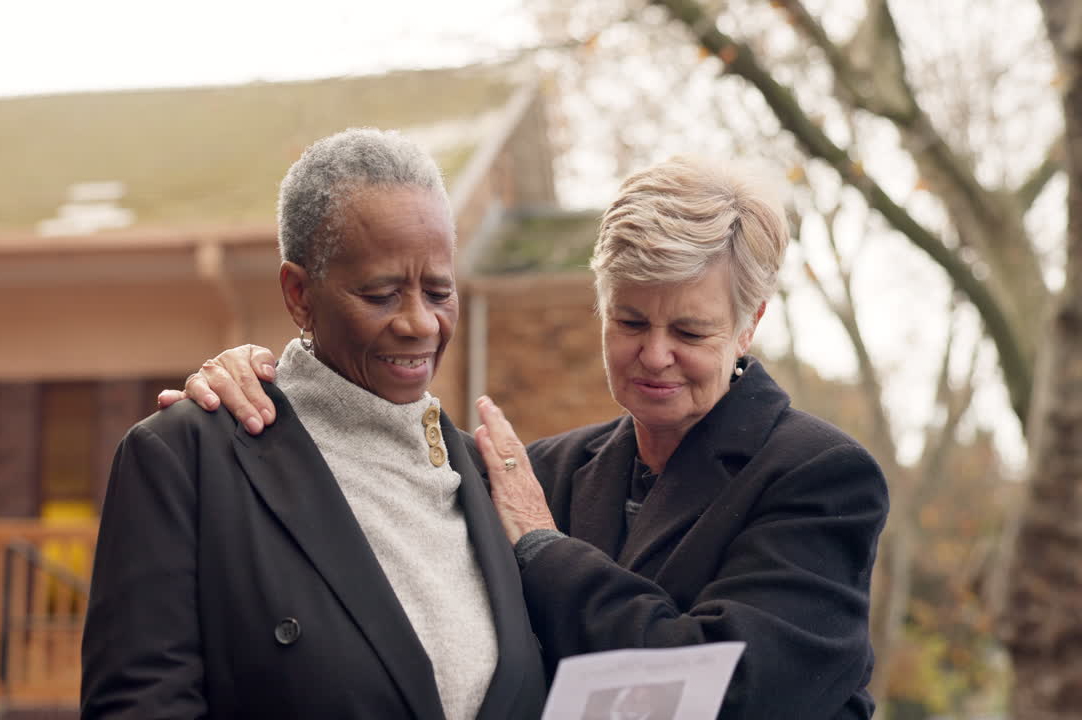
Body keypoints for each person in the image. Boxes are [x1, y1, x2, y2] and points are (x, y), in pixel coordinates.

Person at [161, 156, 889, 719]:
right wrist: (269, 384)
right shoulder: (544, 471)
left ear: (749, 324)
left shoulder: (820, 478)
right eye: (630, 322)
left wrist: (545, 552)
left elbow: (723, 694)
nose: (655, 354)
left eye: (690, 330)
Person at [81, 128, 546, 719]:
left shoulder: (489, 478)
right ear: (299, 294)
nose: (420, 323)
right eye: (381, 294)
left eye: (439, 290)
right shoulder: (187, 461)